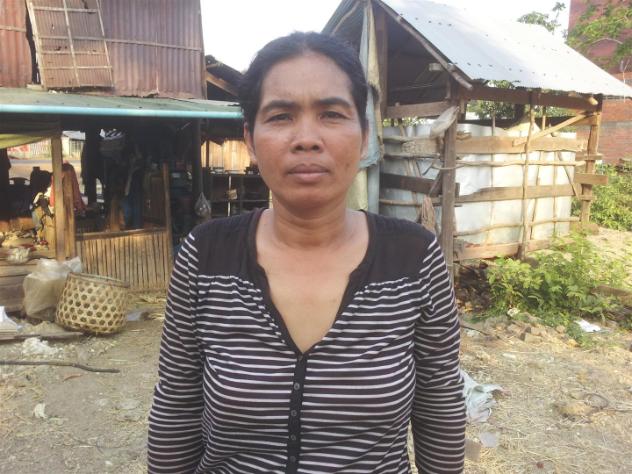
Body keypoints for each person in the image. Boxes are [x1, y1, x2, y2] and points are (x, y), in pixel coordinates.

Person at [148, 32, 465, 474]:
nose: (307, 139)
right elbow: (177, 407)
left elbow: (439, 404)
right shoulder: (206, 256)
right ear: (251, 139)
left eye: (331, 114)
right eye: (281, 116)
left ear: (365, 136)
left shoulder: (413, 257)